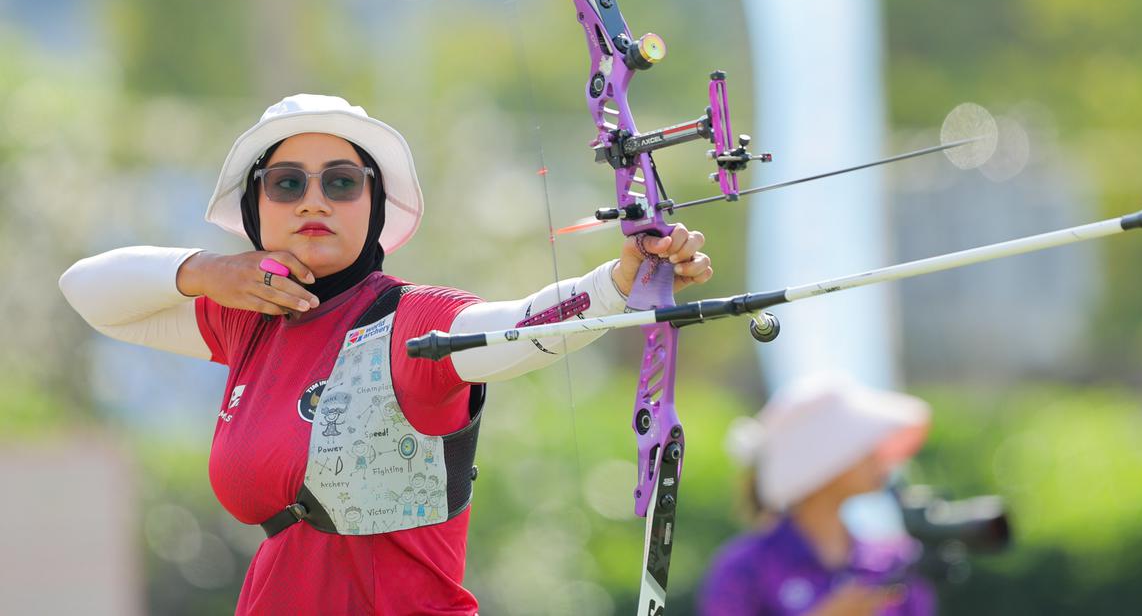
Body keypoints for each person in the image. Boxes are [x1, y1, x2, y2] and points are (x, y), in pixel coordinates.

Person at [59, 93, 713, 615]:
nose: (313, 198)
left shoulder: (410, 320)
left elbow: (517, 328)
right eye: (286, 183)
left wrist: (618, 284)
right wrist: (208, 271)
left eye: (341, 182)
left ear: (372, 207)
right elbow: (86, 291)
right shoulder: (249, 323)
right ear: (257, 206)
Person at [698, 376, 933, 616]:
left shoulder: (893, 562)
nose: (878, 456)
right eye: (861, 444)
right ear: (821, 463)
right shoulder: (746, 567)